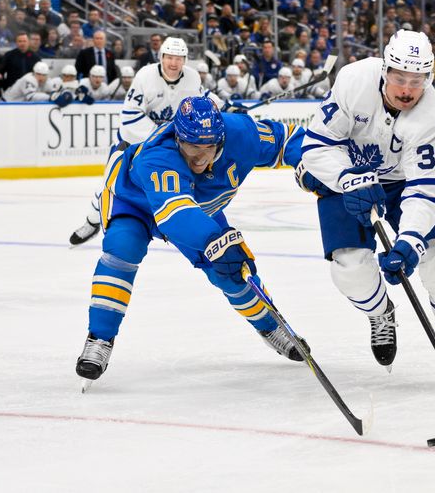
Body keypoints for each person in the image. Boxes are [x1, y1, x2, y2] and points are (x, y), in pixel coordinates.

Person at [300, 30, 435, 387]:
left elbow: (426, 189)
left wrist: (409, 242)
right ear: (385, 70)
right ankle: (381, 313)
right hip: (348, 173)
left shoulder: (432, 116)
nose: (406, 90)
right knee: (350, 267)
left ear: (428, 78)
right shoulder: (353, 80)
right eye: (399, 78)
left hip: (400, 183)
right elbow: (317, 147)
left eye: (417, 81)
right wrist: (347, 178)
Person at [75, 95, 310, 388]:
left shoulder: (242, 133)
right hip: (133, 200)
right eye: (190, 148)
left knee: (231, 272)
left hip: (195, 207)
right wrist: (217, 241)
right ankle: (99, 337)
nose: (198, 158)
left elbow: (289, 140)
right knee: (123, 250)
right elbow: (176, 213)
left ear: (221, 140)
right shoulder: (158, 155)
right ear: (177, 138)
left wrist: (308, 164)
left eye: (207, 148)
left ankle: (271, 327)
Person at [69, 36, 221, 246]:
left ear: (184, 60)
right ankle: (91, 221)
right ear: (161, 57)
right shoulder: (145, 76)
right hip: (132, 143)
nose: (174, 63)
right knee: (108, 184)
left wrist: (228, 107)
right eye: (169, 57)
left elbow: (204, 99)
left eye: (178, 58)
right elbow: (130, 116)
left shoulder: (192, 77)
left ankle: (177, 223)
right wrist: (160, 135)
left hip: (167, 146)